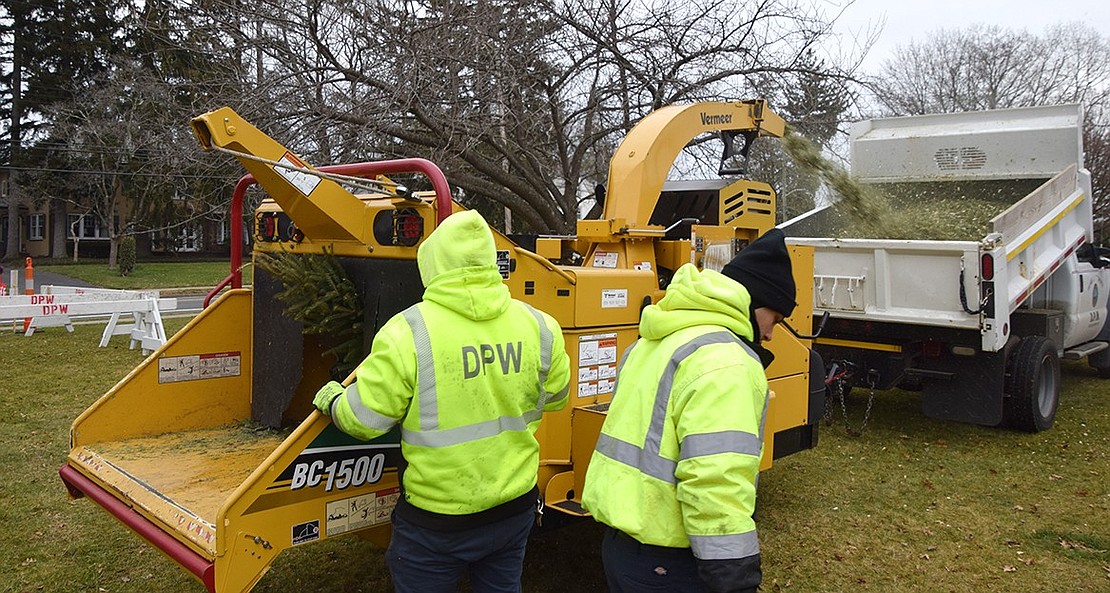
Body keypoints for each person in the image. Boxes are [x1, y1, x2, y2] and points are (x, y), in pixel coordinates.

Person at [313, 210, 571, 593]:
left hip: (437, 523)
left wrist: (333, 398)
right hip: (513, 508)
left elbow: (365, 420)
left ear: (431, 263)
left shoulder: (408, 332)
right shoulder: (541, 326)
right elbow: (556, 398)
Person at [581, 228, 798, 593]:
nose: (772, 334)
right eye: (774, 319)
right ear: (753, 302)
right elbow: (716, 479)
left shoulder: (656, 339)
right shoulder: (727, 363)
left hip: (621, 548)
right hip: (671, 561)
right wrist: (734, 576)